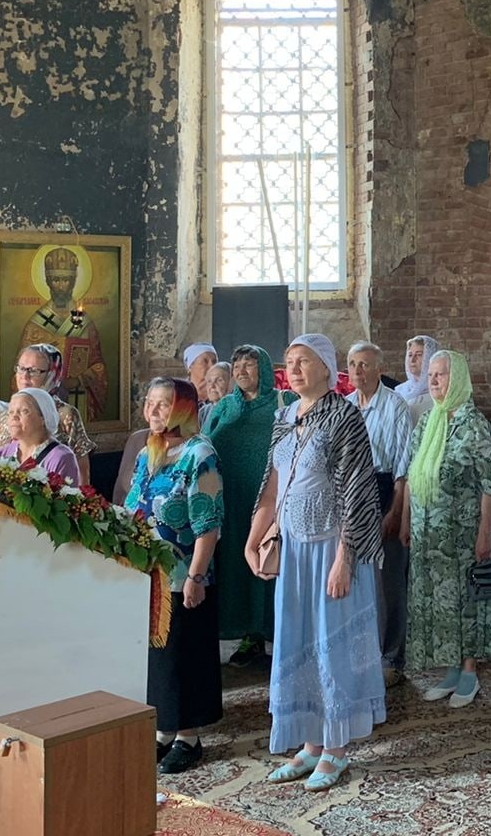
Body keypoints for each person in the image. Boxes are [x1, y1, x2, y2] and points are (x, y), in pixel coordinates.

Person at [245, 335, 384, 792]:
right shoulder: (285, 416)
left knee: (332, 643)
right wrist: (253, 539)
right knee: (298, 640)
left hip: (330, 549)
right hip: (295, 550)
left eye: (305, 361)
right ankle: (308, 742)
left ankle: (337, 748)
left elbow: (356, 492)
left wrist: (344, 559)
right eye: (290, 362)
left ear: (327, 368)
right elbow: (271, 485)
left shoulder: (344, 416)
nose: (296, 368)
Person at [124, 378, 222, 774]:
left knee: (184, 656)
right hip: (148, 574)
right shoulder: (150, 451)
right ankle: (164, 730)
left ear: (183, 408)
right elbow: (134, 504)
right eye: (149, 403)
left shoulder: (201, 454)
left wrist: (196, 577)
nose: (153, 411)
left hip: (185, 576)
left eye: (163, 404)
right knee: (157, 658)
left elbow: (208, 522)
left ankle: (188, 737)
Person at [404, 350, 491, 707]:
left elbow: (490, 482)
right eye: (431, 374)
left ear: (457, 378)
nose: (433, 380)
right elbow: (412, 475)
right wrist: (406, 522)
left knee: (465, 602)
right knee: (437, 604)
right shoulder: (428, 420)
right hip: (429, 534)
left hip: (462, 533)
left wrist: (485, 533)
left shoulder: (473, 423)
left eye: (441, 374)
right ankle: (450, 668)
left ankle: (470, 670)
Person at [203, 346, 293, 663]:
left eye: (250, 364)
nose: (241, 370)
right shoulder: (223, 408)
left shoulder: (286, 403)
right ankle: (249, 636)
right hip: (232, 502)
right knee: (237, 570)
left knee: (271, 564)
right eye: (237, 364)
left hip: (272, 502)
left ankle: (279, 635)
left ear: (265, 369)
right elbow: (204, 449)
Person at [347, 341, 414, 686]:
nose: (358, 370)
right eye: (353, 364)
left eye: (365, 364)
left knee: (388, 581)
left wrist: (395, 511)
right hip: (350, 495)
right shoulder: (344, 407)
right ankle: (361, 652)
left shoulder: (395, 406)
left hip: (385, 490)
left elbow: (404, 466)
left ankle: (391, 656)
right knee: (356, 578)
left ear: (378, 368)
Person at [17, 246, 109, 421]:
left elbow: (99, 367)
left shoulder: (86, 324)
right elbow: (20, 372)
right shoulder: (34, 325)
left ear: (73, 282)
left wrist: (79, 379)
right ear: (47, 281)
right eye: (56, 280)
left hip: (78, 400)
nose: (60, 286)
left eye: (66, 280)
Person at [14, 343, 96, 485]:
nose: (24, 376)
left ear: (52, 374)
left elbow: (82, 474)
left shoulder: (65, 415)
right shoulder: (5, 414)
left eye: (33, 370)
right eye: (21, 369)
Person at [0, 387, 81, 485]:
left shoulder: (61, 458)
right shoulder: (1, 455)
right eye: (11, 412)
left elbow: (65, 498)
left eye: (24, 411)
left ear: (43, 418)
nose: (14, 417)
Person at [395, 335, 439, 425]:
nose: (412, 359)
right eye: (410, 355)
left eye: (419, 355)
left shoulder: (438, 392)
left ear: (430, 357)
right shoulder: (400, 391)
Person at [198, 362, 233, 429]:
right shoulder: (203, 412)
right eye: (209, 381)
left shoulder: (238, 411)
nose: (212, 386)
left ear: (231, 384)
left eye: (219, 380)